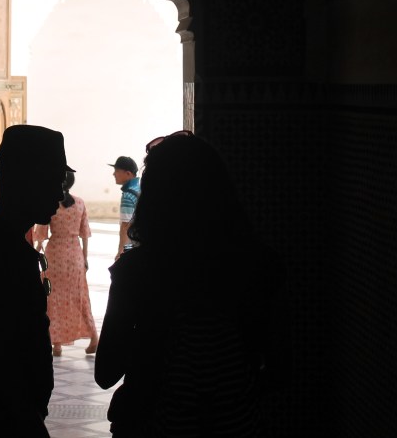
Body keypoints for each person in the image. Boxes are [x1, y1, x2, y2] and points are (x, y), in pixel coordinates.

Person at [95, 130, 287, 437]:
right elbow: (280, 369)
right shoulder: (259, 265)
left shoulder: (136, 272)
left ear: (154, 196)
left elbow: (106, 373)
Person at [0, 124, 75, 438]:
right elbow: (1, 357)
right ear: (26, 181)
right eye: (53, 181)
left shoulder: (1, 243)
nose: (60, 194)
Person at [32, 170, 100, 357]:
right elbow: (84, 233)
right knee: (80, 298)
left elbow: (41, 236)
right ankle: (94, 336)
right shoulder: (79, 203)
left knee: (52, 299)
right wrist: (84, 258)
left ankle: (57, 344)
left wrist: (35, 251)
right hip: (74, 255)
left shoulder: (51, 203)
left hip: (55, 255)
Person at [108, 155, 140, 261]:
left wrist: (120, 251)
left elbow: (126, 226)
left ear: (128, 173)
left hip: (132, 246)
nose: (113, 174)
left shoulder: (128, 195)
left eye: (117, 170)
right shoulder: (139, 189)